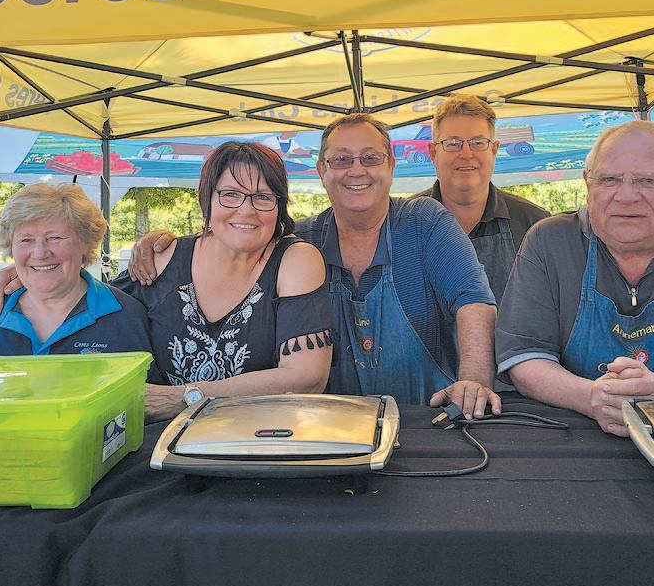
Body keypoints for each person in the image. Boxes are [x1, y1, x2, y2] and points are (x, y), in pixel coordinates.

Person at [130, 116, 500, 417]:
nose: (356, 170)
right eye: (341, 160)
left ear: (390, 165)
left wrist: (473, 382)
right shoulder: (301, 243)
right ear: (322, 171)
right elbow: (239, 229)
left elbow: (473, 302)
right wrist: (166, 244)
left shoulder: (424, 222)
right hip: (328, 429)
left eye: (370, 158)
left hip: (428, 418)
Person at [496, 120, 654, 437]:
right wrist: (593, 398)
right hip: (576, 437)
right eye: (609, 179)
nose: (626, 196)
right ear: (588, 184)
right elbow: (525, 357)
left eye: (648, 180)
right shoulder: (550, 242)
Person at [113, 141, 333, 421]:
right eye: (230, 194)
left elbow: (307, 378)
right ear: (207, 199)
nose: (246, 210)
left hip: (257, 441)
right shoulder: (161, 257)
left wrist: (184, 398)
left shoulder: (295, 260)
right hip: (160, 443)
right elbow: (90, 312)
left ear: (279, 205)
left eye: (262, 197)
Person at [0, 183, 151, 358]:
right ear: (10, 246)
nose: (40, 253)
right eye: (26, 240)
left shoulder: (128, 316)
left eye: (55, 238)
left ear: (85, 242)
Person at [413, 94, 549, 304]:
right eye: (453, 143)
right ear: (433, 153)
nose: (466, 154)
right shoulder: (404, 223)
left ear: (494, 150)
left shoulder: (535, 225)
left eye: (478, 143)